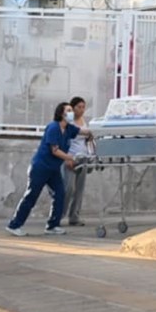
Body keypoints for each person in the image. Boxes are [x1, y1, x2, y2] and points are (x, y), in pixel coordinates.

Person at [6, 102, 92, 236]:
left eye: (71, 110)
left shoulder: (69, 129)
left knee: (60, 194)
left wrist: (96, 131)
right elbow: (55, 150)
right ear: (61, 113)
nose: (72, 113)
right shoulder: (53, 127)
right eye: (69, 110)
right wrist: (71, 158)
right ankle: (14, 225)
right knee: (31, 196)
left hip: (53, 170)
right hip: (41, 167)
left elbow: (83, 132)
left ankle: (52, 226)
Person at [63, 96, 94, 226]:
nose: (81, 110)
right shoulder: (68, 122)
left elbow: (85, 138)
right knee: (68, 188)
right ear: (72, 108)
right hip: (71, 157)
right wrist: (66, 158)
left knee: (79, 189)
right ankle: (58, 215)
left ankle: (74, 216)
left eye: (83, 107)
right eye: (79, 107)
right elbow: (63, 140)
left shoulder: (83, 120)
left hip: (83, 157)